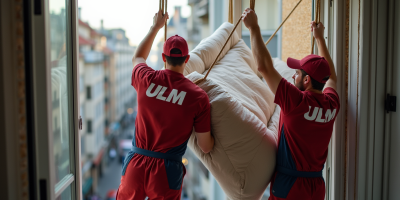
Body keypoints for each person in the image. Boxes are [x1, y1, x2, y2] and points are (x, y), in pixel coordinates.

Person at [242, 8, 340, 200]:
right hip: (316, 186)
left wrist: (253, 27)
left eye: (297, 72)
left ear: (306, 81)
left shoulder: (296, 101)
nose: (293, 74)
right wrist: (320, 38)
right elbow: (332, 78)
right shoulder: (331, 104)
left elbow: (263, 67)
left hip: (289, 186)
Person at [116, 10, 215, 200]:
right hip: (166, 172)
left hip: (135, 165)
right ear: (187, 59)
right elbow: (206, 147)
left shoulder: (145, 79)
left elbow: (138, 57)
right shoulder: (198, 97)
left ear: (163, 58)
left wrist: (156, 27)